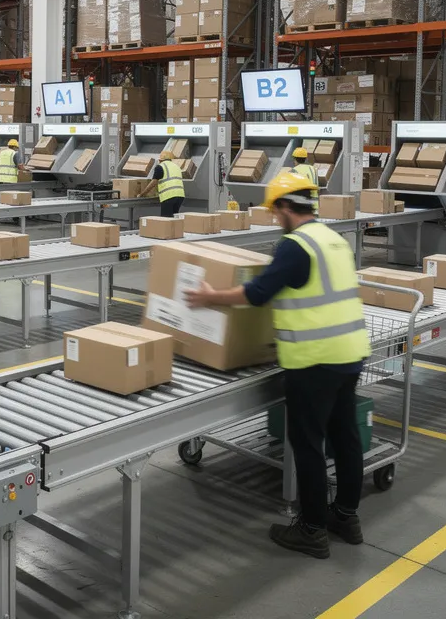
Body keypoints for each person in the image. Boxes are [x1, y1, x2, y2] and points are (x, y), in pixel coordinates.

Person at [184, 172, 370, 559]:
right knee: (345, 437)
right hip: (350, 352)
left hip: (314, 360)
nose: (274, 218)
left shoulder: (296, 245)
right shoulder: (334, 239)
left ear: (286, 207)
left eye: (275, 211)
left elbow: (257, 293)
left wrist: (209, 297)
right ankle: (346, 517)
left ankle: (313, 529)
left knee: (308, 445)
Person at [144, 149, 185, 218]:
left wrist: (143, 193)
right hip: (180, 195)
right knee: (175, 218)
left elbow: (153, 182)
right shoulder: (177, 167)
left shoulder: (160, 167)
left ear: (160, 160)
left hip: (169, 196)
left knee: (165, 219)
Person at [291, 147, 320, 214]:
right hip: (315, 206)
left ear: (295, 159)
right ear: (305, 158)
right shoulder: (313, 169)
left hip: (303, 206)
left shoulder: (294, 170)